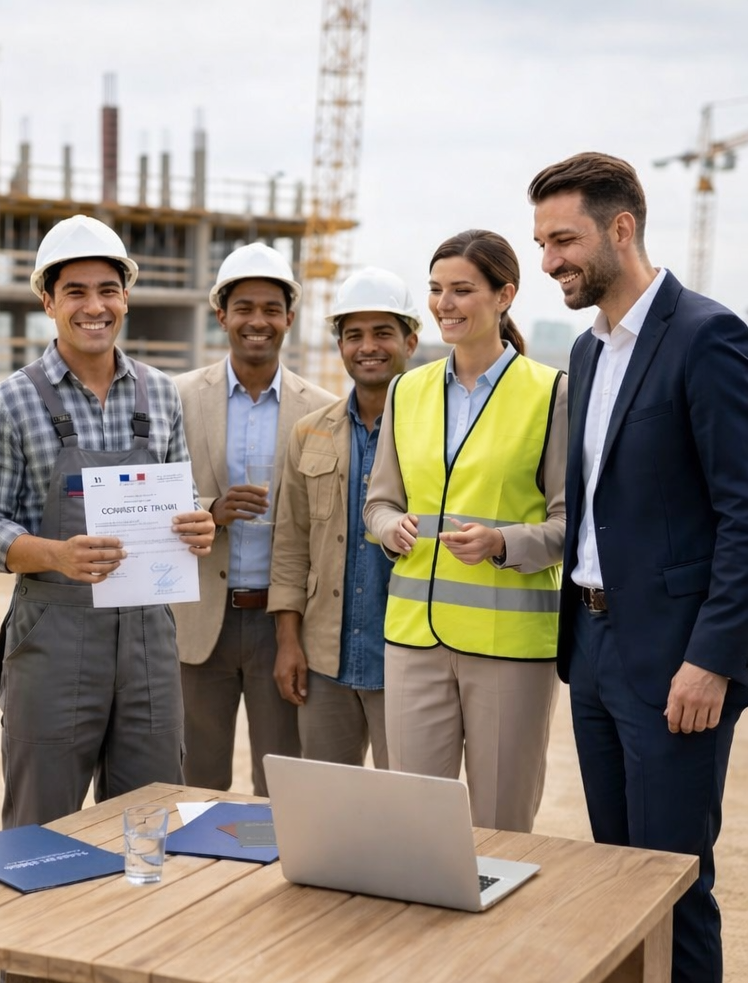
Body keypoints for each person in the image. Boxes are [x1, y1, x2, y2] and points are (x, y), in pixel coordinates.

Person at [529, 152, 748, 983]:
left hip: (676, 665)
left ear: (622, 228)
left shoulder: (708, 335)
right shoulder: (586, 353)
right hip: (593, 648)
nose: (549, 261)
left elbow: (745, 513)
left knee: (672, 885)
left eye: (564, 239)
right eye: (541, 242)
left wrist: (713, 660)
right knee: (616, 879)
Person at [0, 214, 214, 828]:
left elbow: (179, 500)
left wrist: (197, 524)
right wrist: (55, 555)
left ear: (125, 297)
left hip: (150, 636)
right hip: (53, 633)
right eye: (75, 291)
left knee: (151, 819)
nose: (93, 306)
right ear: (48, 300)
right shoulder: (9, 402)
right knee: (39, 825)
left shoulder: (160, 394)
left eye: (107, 290)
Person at [363, 229, 567, 832]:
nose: (444, 304)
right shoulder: (407, 390)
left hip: (509, 644)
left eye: (461, 290)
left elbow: (571, 521)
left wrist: (504, 544)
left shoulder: (550, 392)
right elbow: (378, 504)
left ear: (504, 295)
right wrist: (389, 528)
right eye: (435, 290)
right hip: (412, 641)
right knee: (415, 823)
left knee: (501, 826)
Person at [172, 243, 336, 795]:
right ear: (222, 314)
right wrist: (208, 514)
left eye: (271, 308)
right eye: (244, 307)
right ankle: (198, 882)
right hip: (198, 625)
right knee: (196, 783)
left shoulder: (322, 410)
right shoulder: (178, 398)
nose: (257, 321)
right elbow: (152, 506)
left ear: (290, 317)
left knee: (284, 783)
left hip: (282, 626)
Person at [269, 267, 420, 768]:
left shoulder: (435, 433)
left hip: (407, 660)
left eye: (382, 333)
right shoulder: (310, 433)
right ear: (340, 345)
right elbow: (290, 547)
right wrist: (289, 643)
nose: (367, 346)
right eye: (353, 335)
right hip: (324, 661)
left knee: (405, 812)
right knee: (330, 810)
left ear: (411, 341)